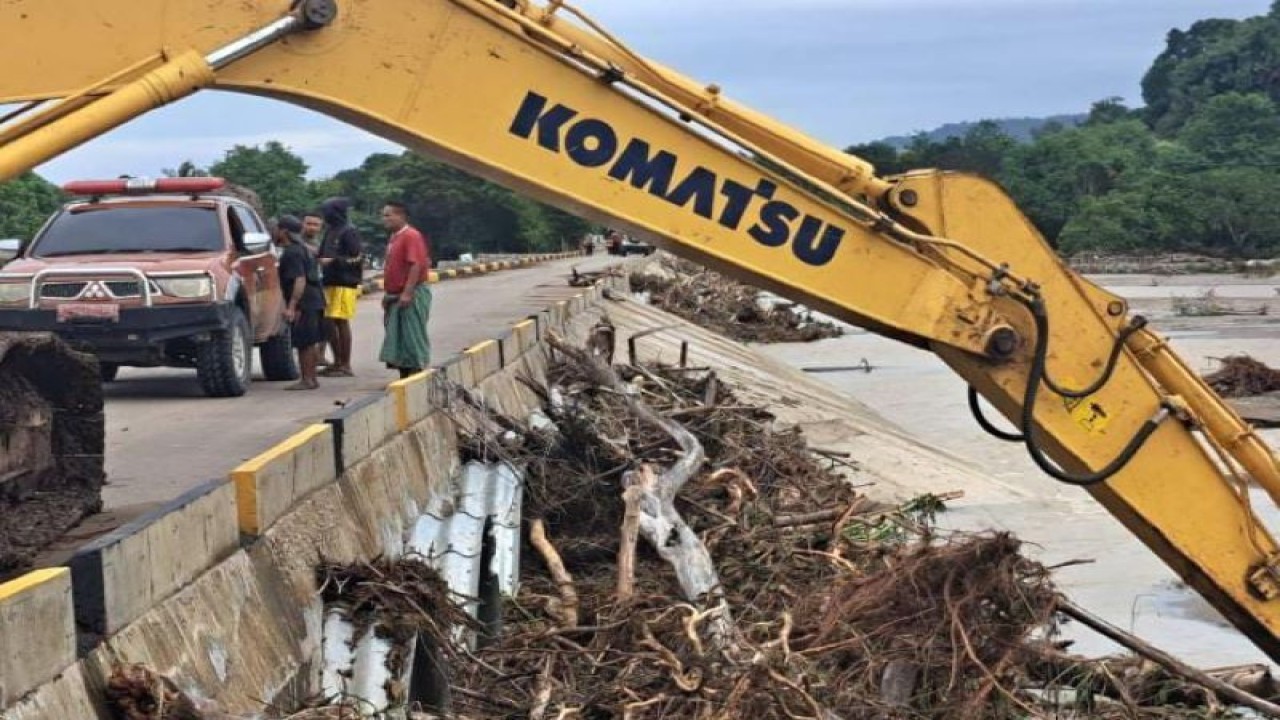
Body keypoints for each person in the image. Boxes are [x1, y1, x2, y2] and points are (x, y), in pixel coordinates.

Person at [270, 215, 326, 391]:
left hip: (305, 302)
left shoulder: (293, 252)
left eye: (277, 229)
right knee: (309, 341)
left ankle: (307, 379)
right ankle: (311, 379)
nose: (274, 232)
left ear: (284, 231)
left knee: (305, 342)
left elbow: (299, 280)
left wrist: (292, 306)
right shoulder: (302, 249)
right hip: (315, 299)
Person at [378, 201, 432, 379]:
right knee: (397, 338)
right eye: (383, 215)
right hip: (395, 295)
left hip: (411, 293)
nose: (384, 219)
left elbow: (416, 264)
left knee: (411, 335)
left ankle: (416, 375)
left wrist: (407, 292)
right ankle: (404, 376)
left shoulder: (411, 236)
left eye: (388, 215)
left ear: (401, 216)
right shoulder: (394, 237)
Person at [317, 197, 364, 377]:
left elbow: (357, 257)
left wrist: (335, 261)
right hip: (329, 281)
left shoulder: (349, 231)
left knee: (341, 321)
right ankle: (336, 361)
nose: (325, 215)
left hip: (345, 282)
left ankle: (345, 364)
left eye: (327, 211)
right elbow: (322, 253)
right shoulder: (330, 231)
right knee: (328, 322)